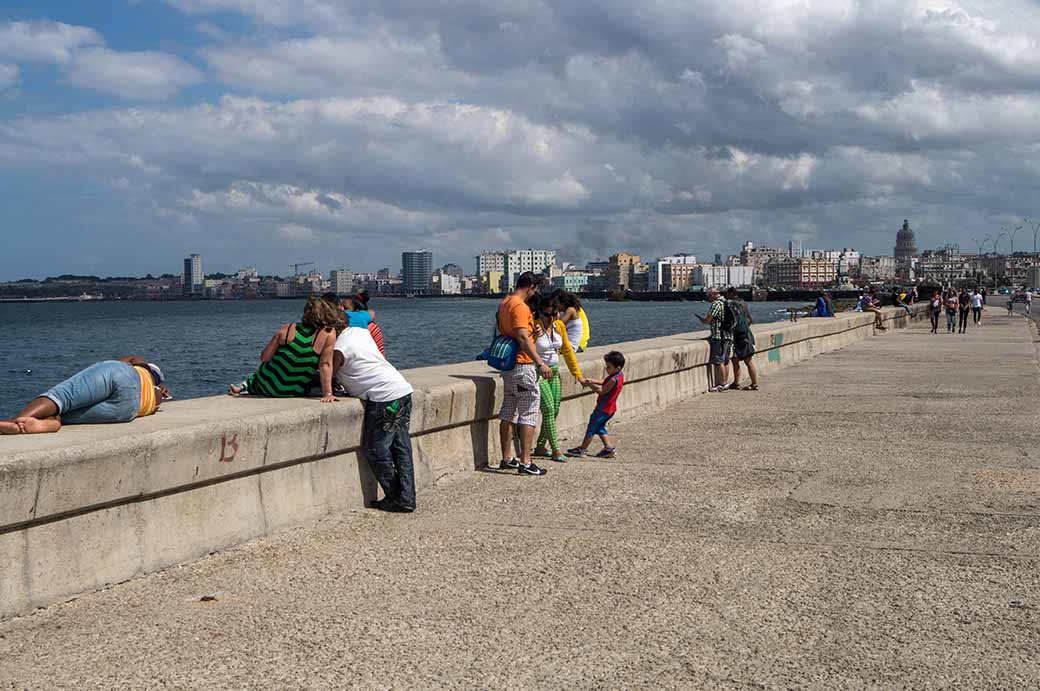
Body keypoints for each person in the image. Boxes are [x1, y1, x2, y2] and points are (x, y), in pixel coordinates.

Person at [333, 319, 416, 512]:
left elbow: (329, 369)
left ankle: (395, 496)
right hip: (401, 389)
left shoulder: (339, 348)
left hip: (383, 398)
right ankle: (407, 497)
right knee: (401, 447)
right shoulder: (359, 332)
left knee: (376, 449)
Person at [1, 357, 170, 435]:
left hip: (122, 375)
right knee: (67, 413)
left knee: (63, 398)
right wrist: (160, 393)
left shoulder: (139, 367)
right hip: (127, 410)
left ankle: (13, 422)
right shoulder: (155, 399)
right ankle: (52, 423)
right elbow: (157, 398)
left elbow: (124, 360)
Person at [229, 297, 342, 400]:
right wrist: (328, 394)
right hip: (295, 390)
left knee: (267, 368)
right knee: (311, 374)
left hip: (267, 387)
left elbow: (264, 357)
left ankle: (246, 385)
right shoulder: (328, 333)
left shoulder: (287, 329)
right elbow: (325, 364)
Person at [497, 272, 551, 476]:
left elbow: (512, 333)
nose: (534, 293)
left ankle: (506, 458)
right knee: (528, 412)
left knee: (508, 412)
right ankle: (526, 462)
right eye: (535, 289)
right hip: (523, 365)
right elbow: (520, 335)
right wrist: (540, 362)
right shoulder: (520, 306)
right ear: (530, 286)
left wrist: (532, 335)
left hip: (509, 367)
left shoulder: (505, 303)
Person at [529, 295, 584, 463]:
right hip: (538, 373)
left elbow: (567, 351)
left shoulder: (559, 326)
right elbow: (525, 347)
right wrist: (534, 336)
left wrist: (578, 374)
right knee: (548, 409)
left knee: (555, 411)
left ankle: (539, 445)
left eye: (554, 314)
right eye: (547, 315)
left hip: (554, 373)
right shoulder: (533, 326)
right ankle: (555, 449)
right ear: (539, 313)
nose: (550, 318)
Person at [566, 351, 625, 458]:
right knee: (600, 427)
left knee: (592, 428)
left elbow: (602, 391)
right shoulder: (619, 375)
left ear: (618, 368)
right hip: (610, 409)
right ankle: (609, 449)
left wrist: (589, 385)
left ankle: (582, 449)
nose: (607, 369)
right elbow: (603, 381)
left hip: (603, 409)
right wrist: (591, 380)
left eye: (609, 367)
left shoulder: (613, 379)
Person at [725, 287, 758, 391]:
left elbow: (730, 321)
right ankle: (737, 383)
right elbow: (749, 319)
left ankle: (753, 384)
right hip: (747, 334)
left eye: (727, 294)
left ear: (731, 294)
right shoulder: (743, 303)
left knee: (746, 361)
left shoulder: (731, 304)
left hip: (740, 336)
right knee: (738, 360)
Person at [700, 287, 733, 392]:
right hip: (728, 335)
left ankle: (722, 384)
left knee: (719, 361)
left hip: (719, 336)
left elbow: (709, 319)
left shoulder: (716, 304)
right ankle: (726, 382)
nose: (708, 299)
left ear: (713, 295)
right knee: (726, 360)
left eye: (708, 296)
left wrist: (704, 321)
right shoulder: (726, 302)